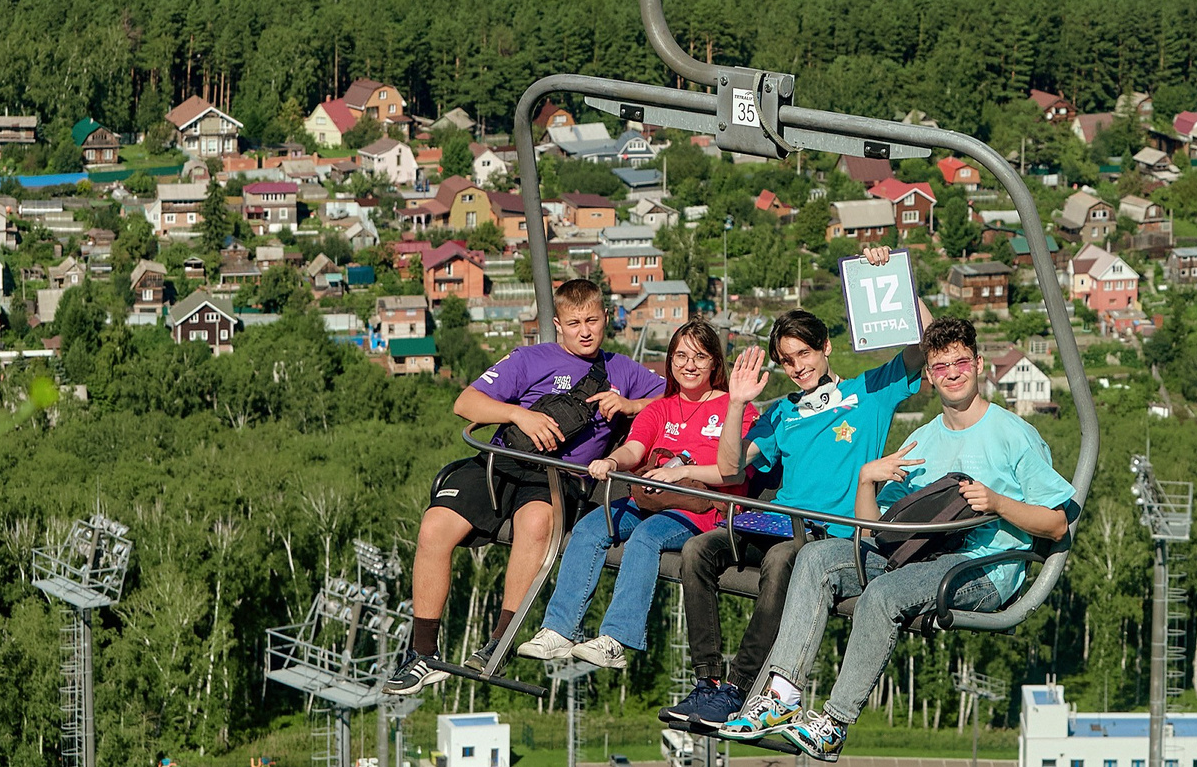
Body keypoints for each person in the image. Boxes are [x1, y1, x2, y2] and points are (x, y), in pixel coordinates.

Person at [718, 316, 1075, 759]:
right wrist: (867, 481)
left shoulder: (1014, 436)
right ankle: (780, 697)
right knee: (816, 558)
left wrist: (999, 504)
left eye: (961, 362)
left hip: (980, 566)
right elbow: (875, 533)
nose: (953, 373)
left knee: (883, 594)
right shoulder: (923, 440)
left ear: (979, 364)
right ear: (929, 375)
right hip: (917, 554)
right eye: (941, 367)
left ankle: (834, 722)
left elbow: (1057, 524)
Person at [656, 299, 931, 733]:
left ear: (825, 348)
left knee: (783, 559)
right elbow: (730, 468)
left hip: (826, 535)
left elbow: (926, 345)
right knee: (696, 551)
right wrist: (735, 406)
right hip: (774, 521)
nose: (798, 368)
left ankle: (739, 686)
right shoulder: (782, 413)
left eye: (804, 354)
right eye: (787, 360)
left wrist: (900, 284)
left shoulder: (870, 392)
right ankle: (707, 680)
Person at [383, 278, 665, 695]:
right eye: (573, 323)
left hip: (558, 477)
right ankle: (422, 652)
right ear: (557, 324)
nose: (584, 331)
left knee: (536, 523)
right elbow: (466, 403)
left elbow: (679, 402)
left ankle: (498, 641)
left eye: (592, 320)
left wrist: (631, 405)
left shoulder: (622, 371)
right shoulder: (530, 359)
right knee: (434, 527)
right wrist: (519, 415)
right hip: (500, 463)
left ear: (606, 319)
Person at [517, 320, 755, 671]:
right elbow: (635, 449)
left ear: (715, 363)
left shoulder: (736, 409)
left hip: (701, 508)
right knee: (589, 529)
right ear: (671, 361)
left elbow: (733, 469)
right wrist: (612, 461)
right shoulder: (660, 408)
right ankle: (559, 629)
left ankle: (616, 639)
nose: (689, 365)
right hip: (651, 497)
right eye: (680, 356)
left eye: (700, 357)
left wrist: (680, 473)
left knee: (646, 538)